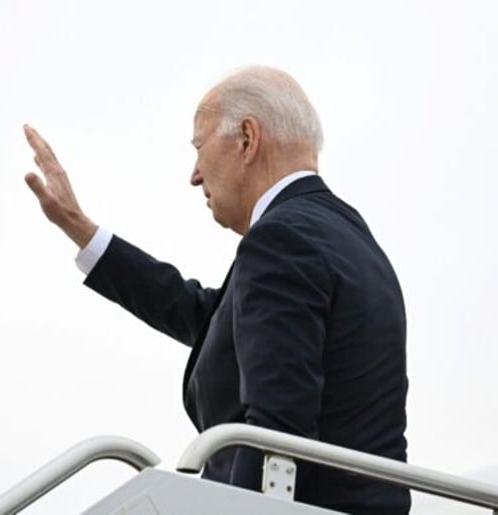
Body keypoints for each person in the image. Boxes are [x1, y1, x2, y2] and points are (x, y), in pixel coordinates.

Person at [22, 66, 410, 514]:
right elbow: (212, 318)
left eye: (199, 147)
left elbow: (275, 435)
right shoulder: (348, 237)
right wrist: (81, 229)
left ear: (247, 139)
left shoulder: (283, 239)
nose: (194, 174)